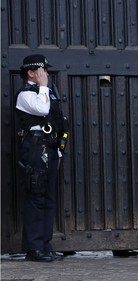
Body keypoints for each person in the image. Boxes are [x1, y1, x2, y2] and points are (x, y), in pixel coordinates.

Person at [16, 54, 67, 262]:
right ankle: (33, 248)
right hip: (36, 150)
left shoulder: (48, 92)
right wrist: (44, 87)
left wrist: (60, 151)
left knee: (49, 198)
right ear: (31, 72)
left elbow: (58, 120)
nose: (46, 74)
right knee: (36, 198)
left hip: (51, 148)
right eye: (43, 70)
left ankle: (45, 245)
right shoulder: (25, 95)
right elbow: (42, 109)